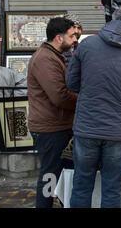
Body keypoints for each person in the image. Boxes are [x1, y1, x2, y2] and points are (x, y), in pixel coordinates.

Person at [66, 5, 121, 208]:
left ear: (111, 20)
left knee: (81, 185)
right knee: (112, 188)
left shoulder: (87, 45)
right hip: (118, 130)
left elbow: (71, 83)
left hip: (87, 127)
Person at [27, 17, 78, 208]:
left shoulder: (54, 56)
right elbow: (59, 96)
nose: (75, 40)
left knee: (59, 174)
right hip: (50, 129)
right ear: (58, 37)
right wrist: (84, 100)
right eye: (71, 35)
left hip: (57, 126)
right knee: (49, 175)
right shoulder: (45, 59)